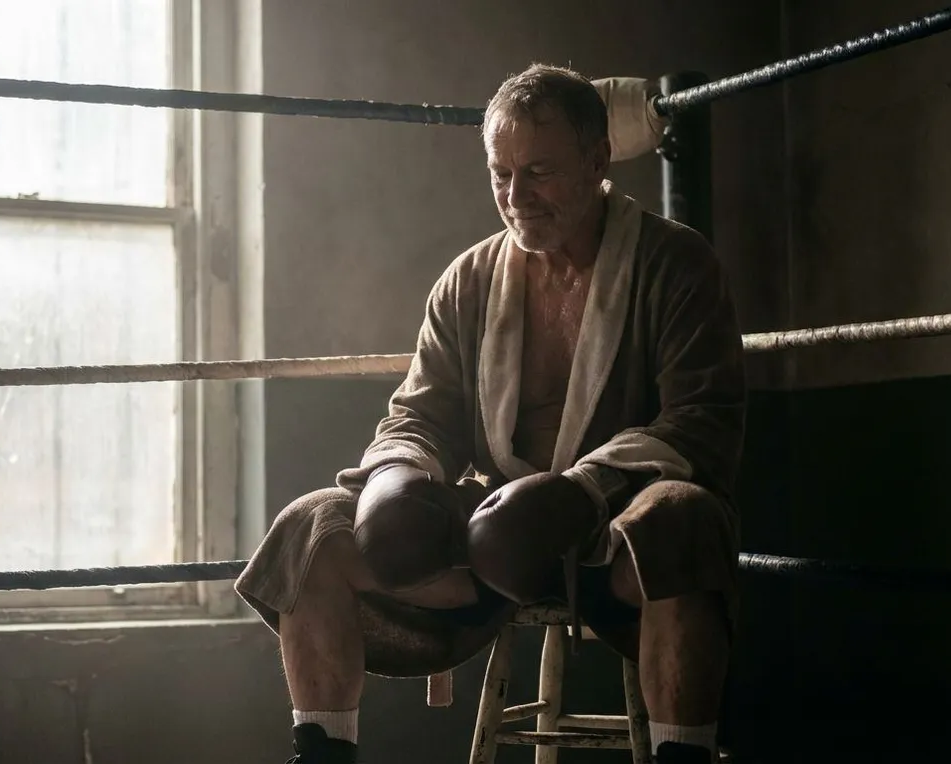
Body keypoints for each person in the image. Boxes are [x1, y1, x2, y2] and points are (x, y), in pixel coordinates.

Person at [235, 63, 746, 764]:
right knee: (313, 528)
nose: (516, 196)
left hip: (616, 544)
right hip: (488, 541)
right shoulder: (468, 281)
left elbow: (700, 420)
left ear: (598, 161)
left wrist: (581, 491)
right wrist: (397, 477)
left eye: (538, 171)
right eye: (501, 174)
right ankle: (323, 755)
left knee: (685, 519)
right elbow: (419, 414)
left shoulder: (676, 264)